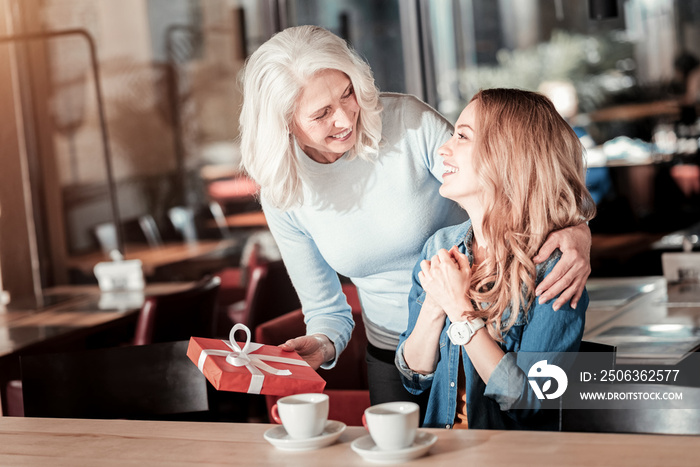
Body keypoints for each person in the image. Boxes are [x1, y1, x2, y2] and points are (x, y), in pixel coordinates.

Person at [239, 25, 592, 412]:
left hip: (491, 325)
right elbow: (326, 309)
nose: (345, 119)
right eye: (322, 114)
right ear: (283, 123)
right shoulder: (284, 189)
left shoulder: (407, 122)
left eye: (348, 94)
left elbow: (509, 171)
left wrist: (576, 227)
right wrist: (323, 344)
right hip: (402, 352)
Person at [396, 88, 596, 429]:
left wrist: (461, 312)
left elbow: (530, 402)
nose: (444, 149)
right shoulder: (440, 246)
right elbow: (414, 378)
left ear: (508, 155)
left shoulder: (554, 267)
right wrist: (435, 305)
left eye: (462, 136)